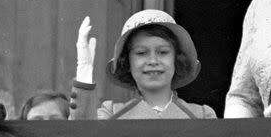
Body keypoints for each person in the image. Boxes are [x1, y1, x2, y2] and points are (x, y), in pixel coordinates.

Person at [70, 10, 216, 119]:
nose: (153, 61)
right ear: (127, 62)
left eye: (163, 52)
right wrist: (84, 74)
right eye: (141, 53)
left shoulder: (202, 116)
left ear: (176, 60)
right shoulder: (111, 113)